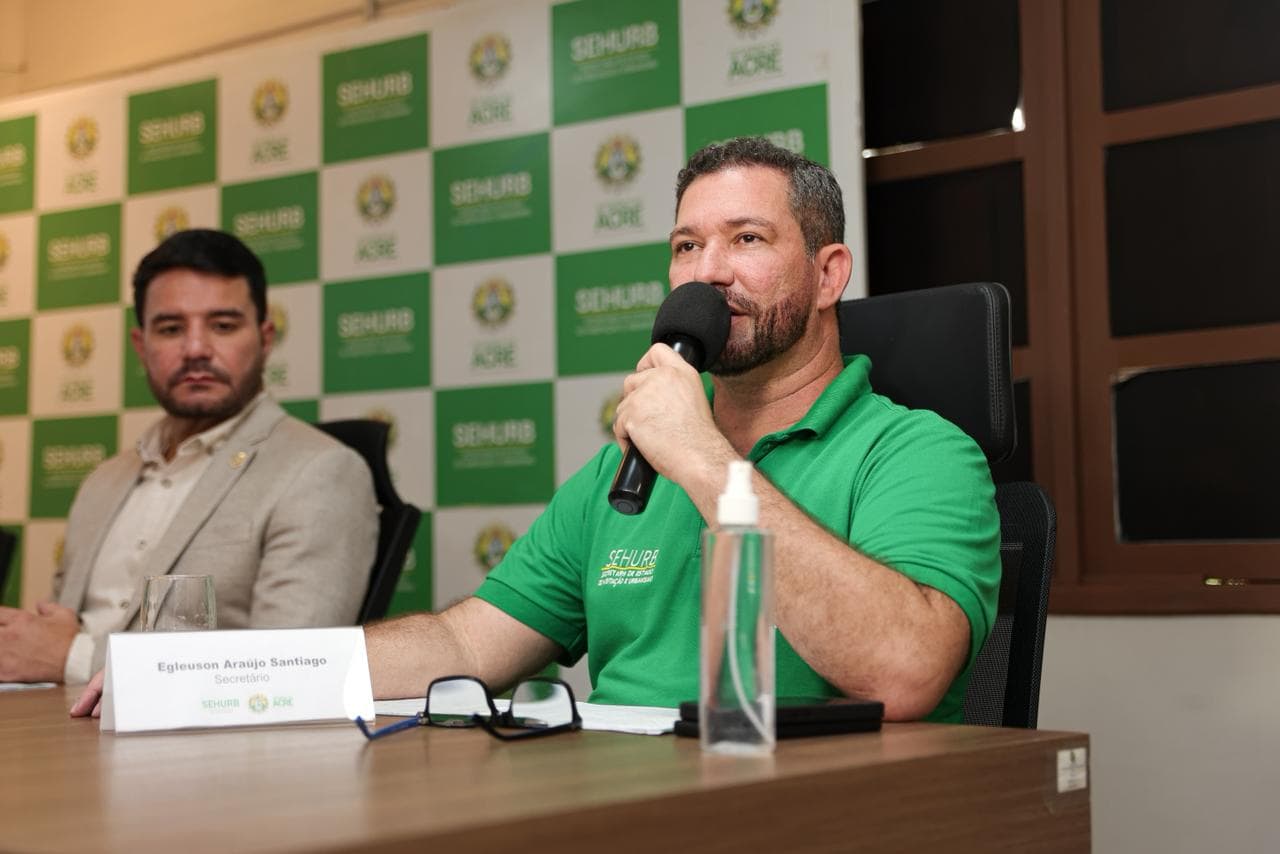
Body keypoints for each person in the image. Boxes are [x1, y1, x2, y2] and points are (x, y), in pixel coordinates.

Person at [77, 139, 998, 722]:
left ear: (830, 274)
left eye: (747, 240)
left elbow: (906, 673)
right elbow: (466, 647)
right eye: (686, 246)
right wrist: (219, 673)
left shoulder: (916, 452)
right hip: (607, 809)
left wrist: (704, 461)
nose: (708, 273)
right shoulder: (623, 470)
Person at [1, 229, 377, 686]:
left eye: (223, 326)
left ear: (265, 338)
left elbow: (288, 669)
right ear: (141, 346)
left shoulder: (321, 471)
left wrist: (72, 657)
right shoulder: (104, 479)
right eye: (171, 329)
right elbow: (54, 633)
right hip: (56, 719)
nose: (196, 349)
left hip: (197, 733)